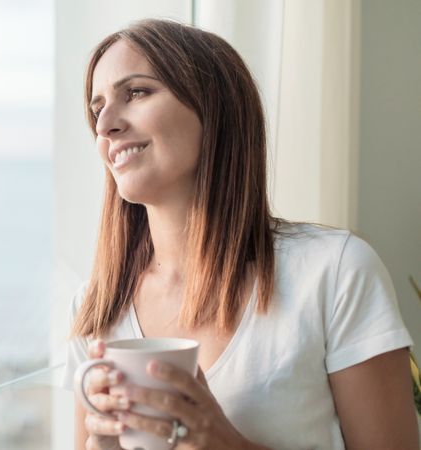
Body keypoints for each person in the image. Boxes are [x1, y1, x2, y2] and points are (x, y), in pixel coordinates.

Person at [60, 18, 419, 450]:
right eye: (97, 109)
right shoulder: (97, 306)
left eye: (136, 92)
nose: (105, 126)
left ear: (214, 107)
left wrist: (222, 443)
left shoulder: (335, 271)